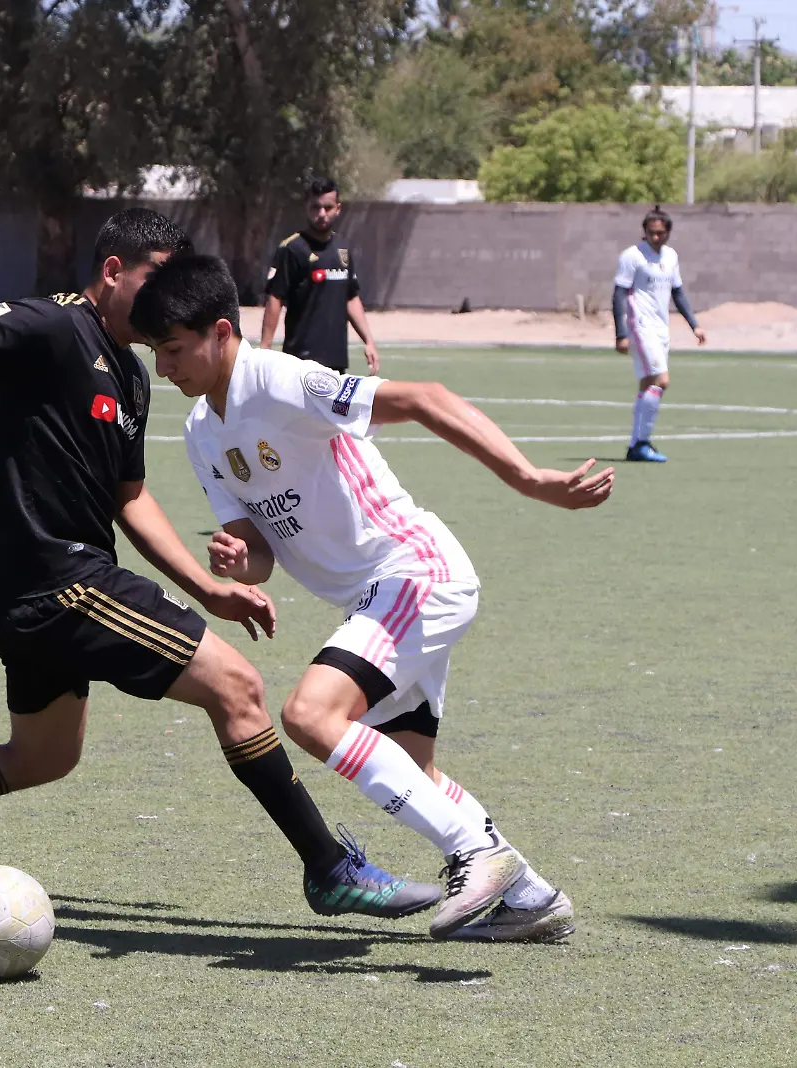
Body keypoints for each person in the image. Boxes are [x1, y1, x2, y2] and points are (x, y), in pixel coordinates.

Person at [0, 209, 439, 920]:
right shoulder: (51, 325)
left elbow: (129, 499)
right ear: (114, 271)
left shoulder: (137, 377)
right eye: (154, 278)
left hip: (41, 586)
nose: (162, 300)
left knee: (44, 755)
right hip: (54, 579)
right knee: (236, 686)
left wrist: (208, 587)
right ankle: (328, 869)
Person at [136, 253, 614, 940]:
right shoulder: (200, 434)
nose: (164, 368)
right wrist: (242, 559)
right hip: (378, 597)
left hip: (414, 571)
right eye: (156, 352)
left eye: (174, 349)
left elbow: (427, 398)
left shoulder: (280, 378)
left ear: (219, 330)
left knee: (310, 713)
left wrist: (530, 478)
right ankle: (532, 899)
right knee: (412, 769)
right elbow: (260, 550)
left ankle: (479, 853)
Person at [614, 205, 706, 464]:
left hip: (661, 328)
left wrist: (694, 325)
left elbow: (678, 292)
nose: (656, 237)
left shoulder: (671, 257)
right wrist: (621, 333)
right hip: (641, 326)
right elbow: (619, 293)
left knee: (647, 385)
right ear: (644, 232)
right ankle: (642, 442)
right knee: (661, 380)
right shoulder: (632, 256)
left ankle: (635, 446)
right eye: (651, 233)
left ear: (668, 233)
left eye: (661, 233)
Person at [260, 177, 378, 374]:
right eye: (315, 207)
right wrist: (265, 348)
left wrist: (369, 341)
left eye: (328, 207)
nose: (321, 213)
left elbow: (350, 297)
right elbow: (275, 298)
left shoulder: (344, 248)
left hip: (336, 359)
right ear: (306, 207)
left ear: (338, 209)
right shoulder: (292, 248)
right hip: (301, 359)